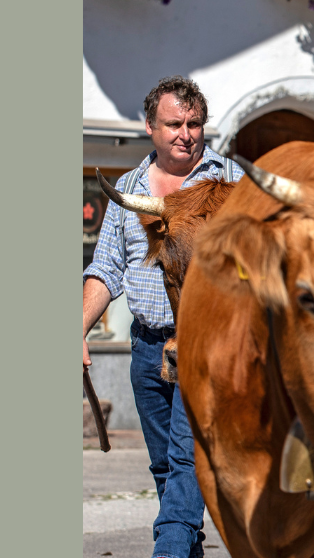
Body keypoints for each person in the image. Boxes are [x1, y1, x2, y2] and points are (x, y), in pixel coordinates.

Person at [82, 76, 242, 558]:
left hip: (207, 348)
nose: (185, 134)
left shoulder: (232, 182)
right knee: (165, 470)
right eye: (174, 124)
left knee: (186, 462)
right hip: (148, 347)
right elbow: (106, 267)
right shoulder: (128, 189)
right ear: (150, 126)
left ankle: (168, 552)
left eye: (194, 124)